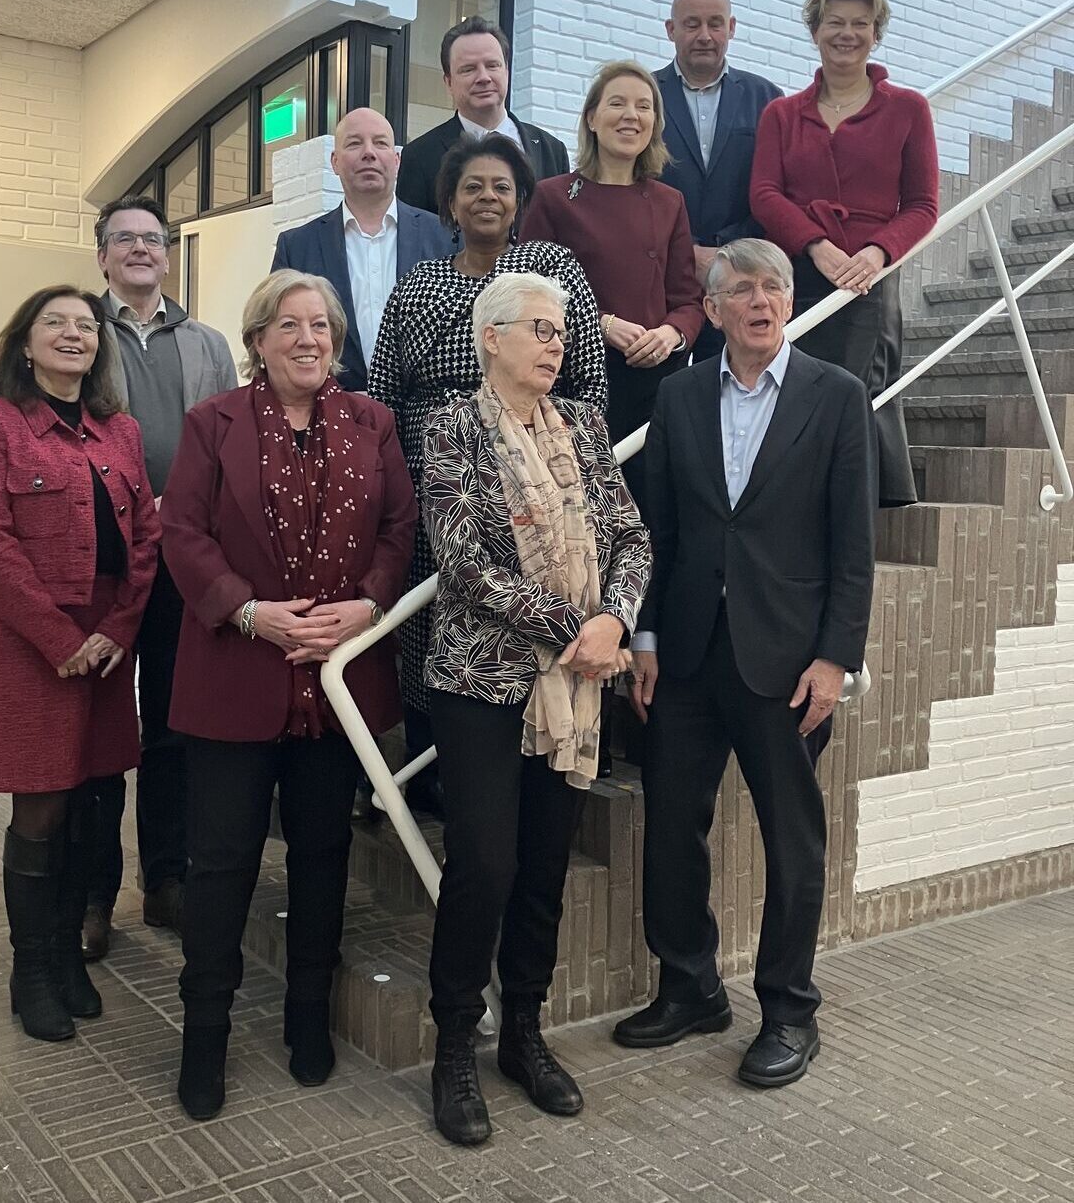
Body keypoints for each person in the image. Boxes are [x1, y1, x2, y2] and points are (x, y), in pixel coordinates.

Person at [614, 240, 876, 1088]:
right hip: (688, 654)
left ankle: (790, 1010)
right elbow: (657, 529)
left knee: (791, 839)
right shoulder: (681, 394)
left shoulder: (837, 396)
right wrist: (645, 638)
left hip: (788, 659)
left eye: (773, 288)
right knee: (671, 827)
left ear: (789, 302)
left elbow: (853, 545)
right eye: (743, 289)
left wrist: (835, 658)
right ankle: (689, 986)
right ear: (714, 307)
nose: (760, 302)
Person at [159, 270, 417, 1120]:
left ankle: (309, 1016)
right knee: (221, 862)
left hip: (337, 682)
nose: (309, 339)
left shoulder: (373, 422)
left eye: (322, 326)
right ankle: (205, 1034)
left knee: (321, 853)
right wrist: (249, 612)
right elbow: (182, 531)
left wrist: (368, 605)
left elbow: (399, 528)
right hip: (236, 673)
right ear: (258, 341)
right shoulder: (212, 423)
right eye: (290, 325)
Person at [420, 272, 650, 1145]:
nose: (557, 344)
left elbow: (631, 535)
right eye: (540, 329)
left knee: (545, 863)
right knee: (484, 863)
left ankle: (524, 1030)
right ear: (492, 337)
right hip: (483, 684)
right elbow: (463, 562)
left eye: (561, 331)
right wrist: (576, 629)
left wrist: (614, 617)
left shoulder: (584, 424)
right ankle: (453, 1047)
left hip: (577, 684)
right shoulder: (452, 425)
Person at [369, 132, 606, 802]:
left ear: (520, 200)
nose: (487, 197)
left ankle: (538, 768)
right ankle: (435, 776)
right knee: (435, 623)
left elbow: (588, 380)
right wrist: (401, 487)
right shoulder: (419, 285)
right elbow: (384, 392)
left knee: (528, 618)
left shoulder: (551, 272)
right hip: (440, 485)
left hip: (540, 484)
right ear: (449, 202)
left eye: (502, 186)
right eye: (472, 186)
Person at [0, 286, 160, 1043]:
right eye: (55, 323)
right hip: (29, 643)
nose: (74, 334)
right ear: (26, 341)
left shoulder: (121, 430)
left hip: (104, 643)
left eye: (86, 325)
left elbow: (147, 538)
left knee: (95, 800)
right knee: (41, 808)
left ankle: (70, 956)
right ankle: (32, 971)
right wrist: (59, 638)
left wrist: (116, 630)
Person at [81, 195, 239, 963]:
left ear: (169, 255)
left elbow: (231, 441)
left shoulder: (207, 342)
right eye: (125, 239)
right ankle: (92, 895)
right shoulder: (82, 331)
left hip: (183, 556)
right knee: (100, 727)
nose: (141, 249)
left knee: (174, 723)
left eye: (153, 238)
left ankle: (167, 878)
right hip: (106, 558)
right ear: (102, 255)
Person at [750, 0, 937, 507]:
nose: (847, 34)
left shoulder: (908, 108)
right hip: (798, 273)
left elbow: (923, 205)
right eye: (835, 22)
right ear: (815, 30)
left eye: (860, 23)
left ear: (876, 33)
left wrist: (876, 253)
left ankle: (855, 525)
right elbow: (764, 193)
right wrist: (815, 245)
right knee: (791, 397)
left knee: (858, 398)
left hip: (867, 280)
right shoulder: (781, 114)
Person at [520, 60, 706, 444]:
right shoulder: (552, 197)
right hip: (575, 383)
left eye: (643, 106)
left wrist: (671, 334)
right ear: (592, 118)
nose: (631, 116)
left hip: (655, 386)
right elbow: (529, 296)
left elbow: (688, 300)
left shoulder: (670, 202)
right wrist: (603, 324)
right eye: (617, 103)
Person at [270, 108, 453, 391]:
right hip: (328, 409)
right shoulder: (296, 247)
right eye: (355, 143)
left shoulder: (445, 238)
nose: (369, 153)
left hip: (423, 411)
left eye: (380, 143)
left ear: (397, 161)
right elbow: (278, 336)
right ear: (335, 162)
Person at [655, 0, 783, 362]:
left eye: (715, 23)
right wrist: (687, 251)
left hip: (741, 284)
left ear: (732, 27)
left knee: (734, 388)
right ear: (671, 29)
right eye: (691, 24)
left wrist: (727, 252)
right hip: (663, 284)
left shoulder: (768, 100)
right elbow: (632, 188)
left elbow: (776, 190)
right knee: (665, 392)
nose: (704, 36)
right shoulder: (645, 97)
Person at [397, 15, 569, 215]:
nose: (483, 77)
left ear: (507, 71)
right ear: (448, 82)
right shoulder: (419, 157)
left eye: (492, 65)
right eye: (468, 69)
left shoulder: (552, 151)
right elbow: (414, 231)